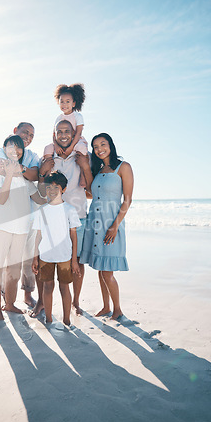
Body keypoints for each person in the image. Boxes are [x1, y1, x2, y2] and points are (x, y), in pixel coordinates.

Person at [35, 120, 93, 316]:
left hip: (77, 214)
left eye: (67, 131)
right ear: (54, 134)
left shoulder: (82, 153)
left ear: (74, 132)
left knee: (76, 261)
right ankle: (42, 303)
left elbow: (91, 190)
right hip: (51, 216)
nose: (63, 135)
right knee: (47, 260)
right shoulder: (49, 156)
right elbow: (41, 189)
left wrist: (85, 166)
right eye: (59, 132)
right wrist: (43, 171)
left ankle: (75, 302)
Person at [0, 135, 46, 320]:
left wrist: (45, 176)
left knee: (14, 270)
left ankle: (10, 304)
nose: (15, 150)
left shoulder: (25, 178)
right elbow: (1, 199)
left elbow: (41, 199)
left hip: (21, 230)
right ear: (4, 148)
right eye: (11, 147)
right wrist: (10, 174)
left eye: (19, 148)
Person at [79, 133, 134, 320]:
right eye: (95, 146)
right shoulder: (99, 170)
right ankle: (106, 307)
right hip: (94, 220)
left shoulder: (123, 167)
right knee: (101, 268)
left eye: (103, 144)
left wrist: (115, 226)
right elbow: (92, 194)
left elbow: (127, 200)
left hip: (111, 222)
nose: (99, 148)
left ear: (110, 145)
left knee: (108, 271)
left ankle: (118, 309)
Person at [32, 171, 81, 326]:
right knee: (47, 287)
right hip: (45, 256)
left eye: (56, 187)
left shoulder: (69, 209)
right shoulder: (41, 210)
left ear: (63, 189)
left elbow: (74, 236)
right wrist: (35, 257)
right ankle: (48, 319)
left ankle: (66, 320)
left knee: (64, 288)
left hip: (65, 256)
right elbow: (38, 236)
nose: (52, 190)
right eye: (49, 187)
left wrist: (74, 260)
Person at [43, 84, 88, 186]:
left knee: (82, 148)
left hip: (76, 140)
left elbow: (78, 133)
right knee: (48, 148)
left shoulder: (78, 116)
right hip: (60, 141)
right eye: (62, 101)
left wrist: (71, 147)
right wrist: (56, 145)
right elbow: (54, 135)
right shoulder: (59, 118)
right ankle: (48, 174)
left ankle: (83, 176)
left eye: (68, 101)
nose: (64, 104)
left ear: (73, 103)